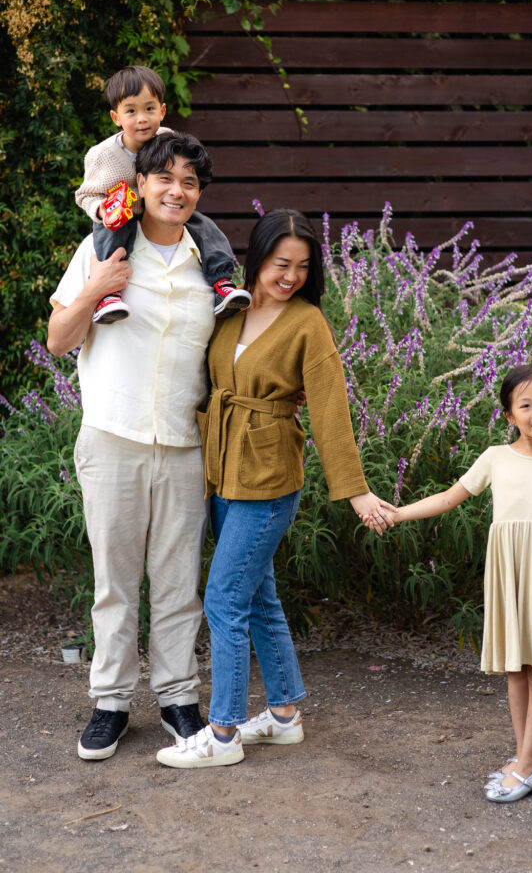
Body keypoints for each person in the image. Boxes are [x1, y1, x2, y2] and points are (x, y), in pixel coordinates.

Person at [156, 208, 397, 769]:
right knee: (258, 596)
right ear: (257, 258)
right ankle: (285, 716)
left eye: (302, 267)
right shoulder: (230, 308)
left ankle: (222, 733)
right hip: (219, 471)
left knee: (224, 597)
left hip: (267, 480)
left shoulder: (308, 322)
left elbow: (331, 411)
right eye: (279, 263)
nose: (288, 275)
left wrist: (355, 489)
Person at [48, 131, 222, 760]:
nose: (177, 191)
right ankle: (112, 703)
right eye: (165, 178)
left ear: (198, 194)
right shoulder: (103, 248)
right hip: (113, 435)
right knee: (114, 582)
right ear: (140, 185)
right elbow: (58, 339)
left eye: (190, 182)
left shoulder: (209, 259)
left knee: (178, 582)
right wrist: (99, 287)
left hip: (182, 442)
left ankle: (179, 696)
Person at [366, 362, 532, 803]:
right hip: (509, 574)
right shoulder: (496, 457)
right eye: (525, 405)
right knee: (516, 666)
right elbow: (450, 497)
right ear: (509, 416)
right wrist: (397, 513)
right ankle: (525, 758)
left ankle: (528, 765)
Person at [76, 64, 250, 323]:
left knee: (206, 228)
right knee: (108, 239)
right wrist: (103, 210)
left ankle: (221, 283)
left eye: (149, 109)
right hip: (121, 215)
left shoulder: (169, 141)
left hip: (163, 210)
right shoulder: (102, 155)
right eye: (131, 111)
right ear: (116, 118)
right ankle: (107, 296)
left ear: (163, 110)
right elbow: (86, 194)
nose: (142, 118)